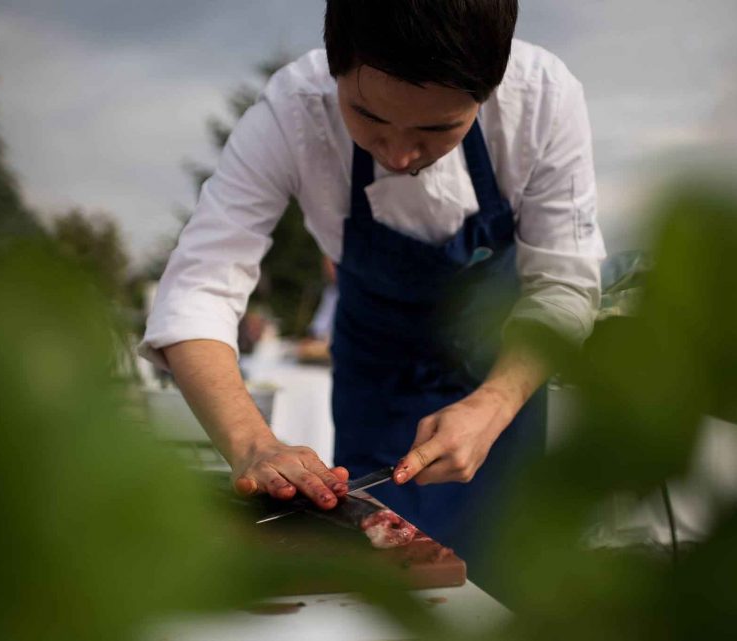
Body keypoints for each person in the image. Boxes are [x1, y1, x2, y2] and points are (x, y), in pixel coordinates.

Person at [141, 0, 604, 574]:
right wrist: (253, 443)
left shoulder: (544, 99)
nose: (401, 155)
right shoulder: (292, 109)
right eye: (369, 119)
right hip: (377, 379)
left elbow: (563, 284)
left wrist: (495, 402)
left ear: (488, 91)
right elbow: (199, 288)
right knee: (377, 576)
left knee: (510, 573)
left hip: (504, 377)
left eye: (438, 128)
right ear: (335, 68)